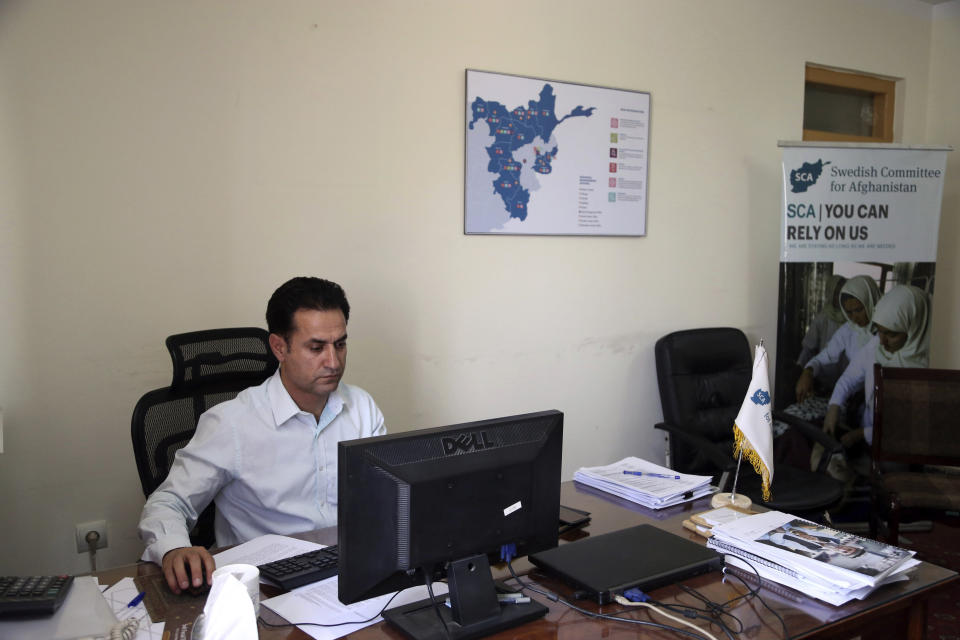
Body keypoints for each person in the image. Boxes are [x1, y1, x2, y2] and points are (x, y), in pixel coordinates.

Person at [138, 277, 386, 594]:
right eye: (316, 347)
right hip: (265, 586)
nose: (333, 362)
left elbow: (386, 497)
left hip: (350, 571)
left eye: (340, 344)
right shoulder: (232, 423)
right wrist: (174, 547)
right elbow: (167, 503)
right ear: (279, 347)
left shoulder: (362, 407)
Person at [822, 284, 931, 449]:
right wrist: (834, 406)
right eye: (879, 330)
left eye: (891, 334)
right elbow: (850, 377)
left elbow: (908, 426)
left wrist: (861, 434)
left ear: (914, 327)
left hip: (898, 450)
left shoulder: (927, 367)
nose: (882, 341)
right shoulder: (876, 346)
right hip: (868, 439)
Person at [795, 275, 881, 403]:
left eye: (858, 310)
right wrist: (808, 371)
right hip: (858, 399)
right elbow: (827, 355)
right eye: (849, 312)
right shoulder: (849, 329)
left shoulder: (887, 330)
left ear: (871, 301)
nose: (854, 318)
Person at [795, 274, 847, 387]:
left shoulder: (851, 318)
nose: (840, 296)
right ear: (830, 293)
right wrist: (801, 368)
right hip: (824, 377)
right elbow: (808, 347)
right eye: (836, 292)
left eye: (843, 293)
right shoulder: (822, 318)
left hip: (847, 378)